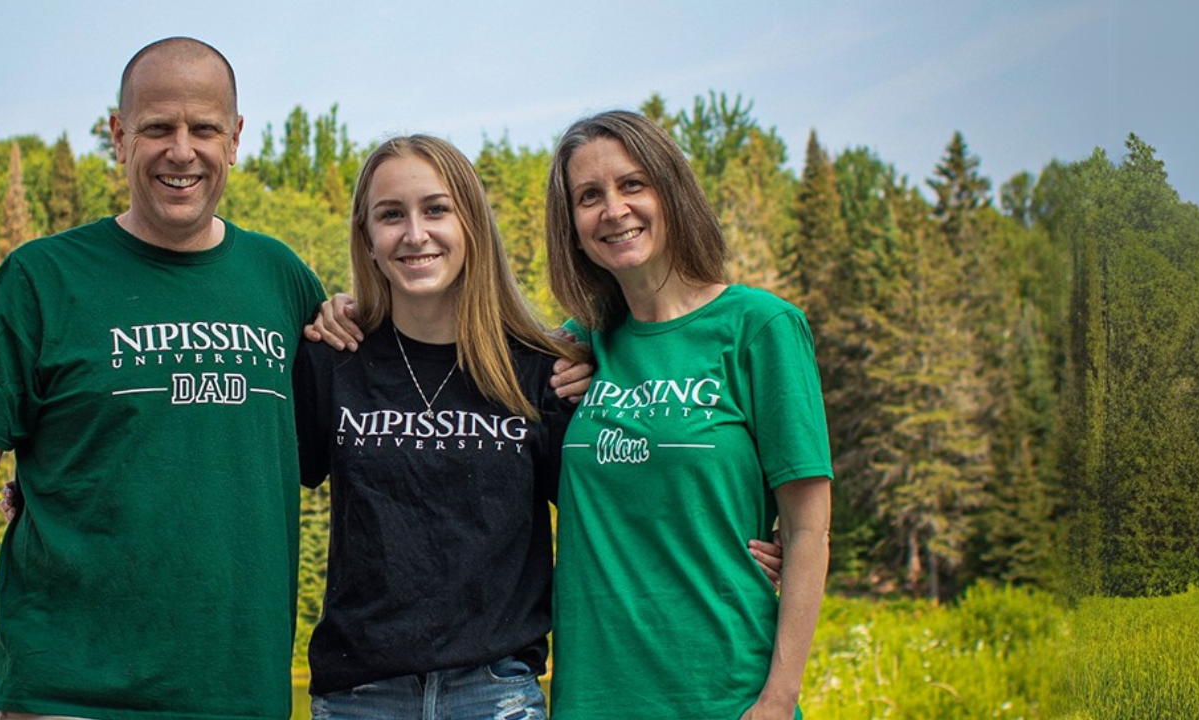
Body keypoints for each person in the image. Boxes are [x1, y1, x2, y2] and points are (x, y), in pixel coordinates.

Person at [0, 37, 325, 720]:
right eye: (157, 128)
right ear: (119, 137)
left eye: (204, 128)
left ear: (236, 139)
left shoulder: (282, 280)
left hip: (241, 698)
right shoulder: (41, 280)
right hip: (65, 696)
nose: (181, 151)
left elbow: (362, 438)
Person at [543, 110, 832, 720]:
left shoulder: (761, 328)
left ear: (671, 191)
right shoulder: (579, 345)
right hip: (593, 697)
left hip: (727, 693)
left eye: (632, 184)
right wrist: (361, 310)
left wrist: (779, 699)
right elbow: (460, 354)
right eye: (588, 196)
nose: (613, 210)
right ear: (571, 227)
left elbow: (808, 531)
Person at [293, 135, 577, 719]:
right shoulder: (332, 357)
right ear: (367, 239)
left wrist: (753, 544)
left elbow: (612, 513)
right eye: (391, 215)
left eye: (436, 209)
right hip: (359, 697)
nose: (415, 233)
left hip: (496, 692)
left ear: (472, 225)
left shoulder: (541, 371)